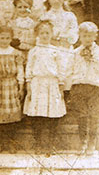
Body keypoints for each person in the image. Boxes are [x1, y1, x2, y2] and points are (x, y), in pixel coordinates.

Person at [23, 19, 68, 153]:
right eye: (42, 33)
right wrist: (29, 86)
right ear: (37, 34)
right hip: (37, 84)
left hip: (52, 84)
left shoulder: (56, 50)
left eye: (47, 33)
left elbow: (61, 69)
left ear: (52, 34)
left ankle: (50, 144)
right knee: (37, 115)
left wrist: (60, 86)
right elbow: (29, 69)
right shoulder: (33, 51)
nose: (44, 35)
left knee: (52, 114)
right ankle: (38, 143)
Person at [69, 22, 99, 155]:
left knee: (94, 116)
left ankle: (92, 143)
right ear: (79, 36)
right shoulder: (75, 53)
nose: (87, 38)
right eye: (84, 35)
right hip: (79, 87)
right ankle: (83, 142)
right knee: (82, 115)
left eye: (90, 36)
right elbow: (69, 70)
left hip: (95, 87)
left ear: (95, 36)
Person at [0, 27, 24, 152]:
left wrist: (21, 86)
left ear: (11, 39)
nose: (5, 41)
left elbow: (20, 71)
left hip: (11, 84)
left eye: (7, 38)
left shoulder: (16, 53)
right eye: (2, 38)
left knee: (11, 116)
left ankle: (10, 142)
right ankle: (0, 142)